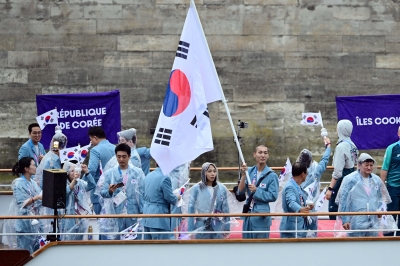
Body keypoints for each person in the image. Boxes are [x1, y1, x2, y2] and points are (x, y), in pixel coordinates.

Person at [336, 153, 391, 237]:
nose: (369, 167)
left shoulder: (376, 180)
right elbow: (344, 200)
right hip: (356, 219)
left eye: (371, 165)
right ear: (359, 165)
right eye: (366, 165)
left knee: (372, 245)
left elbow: (381, 198)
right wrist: (345, 219)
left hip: (373, 220)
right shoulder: (349, 180)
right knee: (356, 245)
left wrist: (381, 211)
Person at [99, 144, 145, 240]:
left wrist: (142, 212)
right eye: (119, 157)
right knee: (116, 243)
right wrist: (110, 191)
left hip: (133, 212)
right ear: (116, 157)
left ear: (129, 156)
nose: (121, 159)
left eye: (124, 157)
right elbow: (102, 193)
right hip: (116, 212)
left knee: (133, 241)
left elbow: (142, 193)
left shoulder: (138, 173)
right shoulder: (109, 173)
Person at [5, 157, 45, 254]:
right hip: (24, 224)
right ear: (26, 168)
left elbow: (40, 197)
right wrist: (35, 198)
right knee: (25, 254)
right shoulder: (19, 183)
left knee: (37, 253)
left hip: (35, 222)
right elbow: (21, 203)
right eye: (33, 165)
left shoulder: (32, 183)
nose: (35, 167)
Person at [238, 145, 279, 239]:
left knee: (261, 247)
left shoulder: (272, 175)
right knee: (246, 245)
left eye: (265, 153)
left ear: (268, 155)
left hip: (261, 216)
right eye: (260, 152)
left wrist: (257, 190)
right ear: (254, 154)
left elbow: (273, 196)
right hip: (248, 213)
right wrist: (244, 175)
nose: (263, 155)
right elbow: (240, 190)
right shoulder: (250, 171)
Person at [186, 162, 234, 239]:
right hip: (201, 225)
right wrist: (190, 230)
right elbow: (191, 209)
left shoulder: (221, 188)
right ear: (204, 173)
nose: (212, 174)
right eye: (209, 171)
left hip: (217, 226)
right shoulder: (196, 188)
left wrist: (227, 227)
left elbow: (226, 209)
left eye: (214, 171)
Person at [298, 137, 331, 237]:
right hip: (312, 204)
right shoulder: (316, 171)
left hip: (299, 204)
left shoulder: (296, 172)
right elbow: (324, 160)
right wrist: (328, 147)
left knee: (300, 229)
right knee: (312, 229)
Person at [325, 120, 359, 220]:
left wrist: (330, 189)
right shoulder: (353, 145)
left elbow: (338, 172)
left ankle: (336, 233)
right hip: (352, 179)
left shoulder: (341, 147)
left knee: (334, 209)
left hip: (341, 181)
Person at [142, 164, 181, 240]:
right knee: (162, 247)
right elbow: (170, 198)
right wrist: (177, 196)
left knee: (148, 246)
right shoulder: (165, 178)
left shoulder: (148, 176)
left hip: (147, 215)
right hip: (159, 217)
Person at [60, 162, 95, 241]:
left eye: (76, 170)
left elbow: (92, 185)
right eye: (72, 171)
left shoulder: (80, 183)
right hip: (68, 217)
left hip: (80, 216)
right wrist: (74, 181)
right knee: (68, 240)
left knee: (79, 240)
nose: (75, 173)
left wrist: (87, 172)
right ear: (67, 172)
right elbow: (64, 193)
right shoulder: (62, 183)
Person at [279, 162, 314, 238]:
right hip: (291, 228)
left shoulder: (296, 186)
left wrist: (306, 207)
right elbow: (291, 202)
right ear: (302, 174)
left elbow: (299, 202)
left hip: (298, 227)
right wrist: (301, 209)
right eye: (306, 173)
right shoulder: (290, 187)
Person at [87, 126, 115, 214]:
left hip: (99, 190)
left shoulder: (95, 150)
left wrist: (82, 182)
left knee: (100, 222)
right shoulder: (115, 148)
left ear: (95, 137)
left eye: (91, 139)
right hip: (114, 188)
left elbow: (91, 169)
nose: (91, 142)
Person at [381, 126, 400, 236]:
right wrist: (381, 187)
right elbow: (385, 168)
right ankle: (387, 240)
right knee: (390, 216)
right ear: (398, 134)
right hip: (393, 188)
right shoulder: (391, 148)